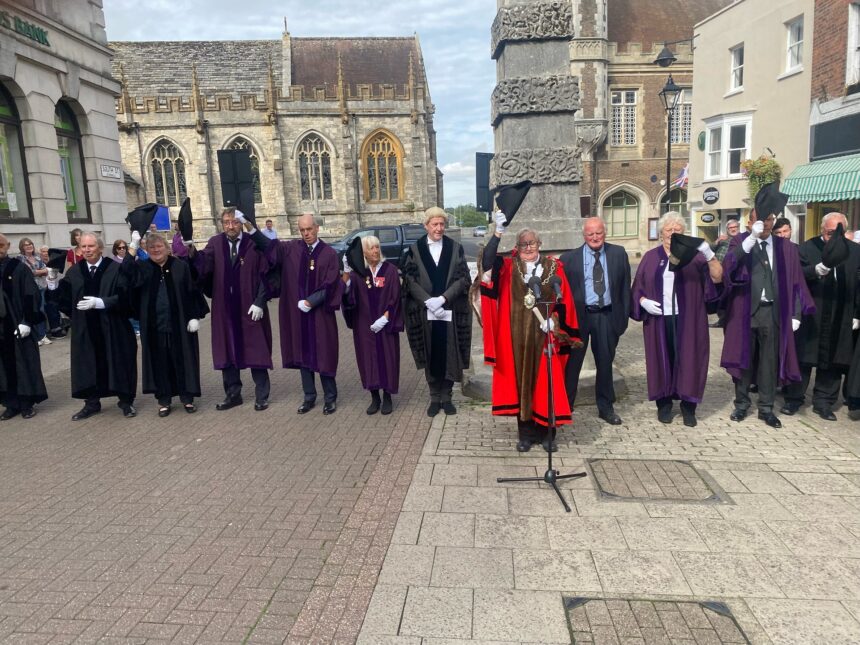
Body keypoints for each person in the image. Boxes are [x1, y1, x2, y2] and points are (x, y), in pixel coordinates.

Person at [481, 216, 581, 451]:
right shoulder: (507, 268)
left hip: (545, 337)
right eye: (524, 244)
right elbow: (486, 262)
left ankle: (548, 435)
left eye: (532, 243)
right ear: (517, 247)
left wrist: (554, 323)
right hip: (516, 338)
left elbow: (565, 301)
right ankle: (525, 434)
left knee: (547, 384)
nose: (528, 248)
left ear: (540, 244)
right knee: (521, 384)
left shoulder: (554, 268)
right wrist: (497, 232)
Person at [721, 184, 815, 428]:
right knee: (744, 360)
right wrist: (751, 239)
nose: (767, 223)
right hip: (744, 311)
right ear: (750, 222)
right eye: (762, 219)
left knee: (769, 362)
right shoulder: (740, 242)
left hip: (773, 311)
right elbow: (729, 266)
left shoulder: (785, 248)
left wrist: (796, 313)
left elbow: (796, 281)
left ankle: (766, 408)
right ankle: (741, 405)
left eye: (771, 219)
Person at [245, 212, 342, 415]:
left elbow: (332, 283)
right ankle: (309, 397)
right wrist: (252, 230)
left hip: (320, 315)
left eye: (309, 229)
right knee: (303, 355)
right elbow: (270, 247)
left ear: (317, 228)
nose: (306, 233)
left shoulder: (329, 254)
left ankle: (330, 398)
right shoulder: (292, 250)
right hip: (298, 316)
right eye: (302, 230)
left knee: (324, 355)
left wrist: (311, 301)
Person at [631, 212, 722, 427]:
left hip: (689, 318)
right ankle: (664, 404)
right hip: (659, 319)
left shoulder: (696, 258)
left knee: (690, 359)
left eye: (677, 230)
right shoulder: (651, 257)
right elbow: (637, 288)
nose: (673, 233)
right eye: (669, 230)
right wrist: (643, 301)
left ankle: (688, 406)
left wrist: (710, 255)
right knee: (662, 359)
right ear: (661, 233)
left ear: (684, 233)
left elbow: (718, 278)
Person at [188, 207, 273, 411]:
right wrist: (190, 250)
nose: (230, 226)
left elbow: (267, 272)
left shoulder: (253, 243)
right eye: (226, 222)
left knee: (257, 350)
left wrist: (260, 301)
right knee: (227, 350)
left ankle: (261, 395)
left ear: (241, 223)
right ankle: (233, 394)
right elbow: (203, 265)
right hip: (225, 308)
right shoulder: (215, 243)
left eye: (234, 222)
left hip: (250, 306)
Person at [783, 213, 860, 420]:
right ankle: (794, 398)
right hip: (812, 312)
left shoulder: (855, 251)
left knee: (834, 361)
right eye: (828, 233)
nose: (832, 238)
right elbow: (794, 275)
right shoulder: (808, 248)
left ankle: (824, 402)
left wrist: (857, 313)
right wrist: (814, 271)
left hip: (841, 314)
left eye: (838, 233)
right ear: (821, 229)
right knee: (803, 359)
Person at [57, 232, 138, 420]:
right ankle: (91, 403)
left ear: (100, 248)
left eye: (91, 246)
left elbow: (127, 297)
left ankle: (126, 402)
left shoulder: (115, 269)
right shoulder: (74, 272)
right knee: (88, 364)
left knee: (119, 362)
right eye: (83, 247)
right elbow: (64, 302)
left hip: (113, 327)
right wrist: (53, 283)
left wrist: (102, 302)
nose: (87, 250)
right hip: (86, 329)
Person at [559, 216, 631, 425]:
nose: (595, 237)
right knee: (573, 365)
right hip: (579, 319)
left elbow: (625, 288)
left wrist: (622, 319)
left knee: (605, 363)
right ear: (584, 235)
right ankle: (566, 406)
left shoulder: (618, 254)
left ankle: (606, 407)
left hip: (606, 316)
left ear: (605, 233)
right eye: (590, 233)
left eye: (598, 232)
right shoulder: (569, 258)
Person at [402, 207, 472, 416]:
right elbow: (409, 280)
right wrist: (427, 301)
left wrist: (443, 298)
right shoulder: (414, 250)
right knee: (430, 352)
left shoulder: (455, 248)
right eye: (435, 224)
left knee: (450, 353)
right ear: (426, 226)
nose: (439, 228)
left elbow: (463, 278)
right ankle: (434, 397)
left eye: (442, 224)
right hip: (427, 312)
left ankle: (447, 397)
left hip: (448, 309)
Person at [127, 232, 206, 416]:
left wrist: (195, 316)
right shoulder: (143, 268)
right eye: (152, 247)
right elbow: (126, 275)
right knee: (160, 363)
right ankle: (164, 400)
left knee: (183, 360)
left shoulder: (180, 266)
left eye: (159, 246)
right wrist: (133, 246)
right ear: (147, 250)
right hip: (155, 326)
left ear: (167, 247)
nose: (156, 250)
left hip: (180, 325)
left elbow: (192, 291)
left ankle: (187, 398)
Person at [342, 236, 403, 415]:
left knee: (388, 358)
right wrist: (345, 273)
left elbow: (396, 296)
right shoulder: (358, 274)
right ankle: (374, 397)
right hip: (364, 326)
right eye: (371, 248)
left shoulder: (390, 270)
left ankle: (388, 397)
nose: (375, 251)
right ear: (363, 253)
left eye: (377, 247)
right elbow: (347, 298)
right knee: (368, 359)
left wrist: (386, 317)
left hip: (386, 325)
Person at [0, 234, 48, 419]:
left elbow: (31, 296)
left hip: (17, 326)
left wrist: (27, 321)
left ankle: (26, 403)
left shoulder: (19, 269)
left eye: (1, 245)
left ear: (8, 246)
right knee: (4, 367)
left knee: (23, 365)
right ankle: (11, 403)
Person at [17, 237, 50, 346]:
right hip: (29, 290)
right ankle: (38, 336)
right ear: (22, 247)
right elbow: (29, 273)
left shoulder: (38, 257)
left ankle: (42, 335)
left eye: (30, 244)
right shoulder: (20, 259)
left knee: (41, 311)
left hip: (41, 288)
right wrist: (40, 271)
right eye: (26, 245)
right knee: (33, 311)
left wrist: (39, 272)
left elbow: (46, 270)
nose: (29, 246)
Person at [40, 245, 66, 339]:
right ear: (40, 253)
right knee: (49, 306)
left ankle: (57, 328)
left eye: (47, 252)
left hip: (54, 288)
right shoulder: (40, 263)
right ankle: (51, 330)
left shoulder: (54, 262)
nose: (45, 254)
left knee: (54, 305)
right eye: (43, 252)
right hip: (43, 288)